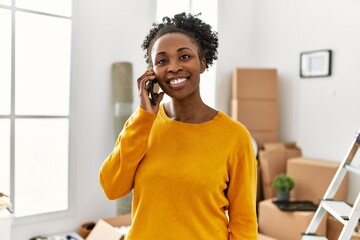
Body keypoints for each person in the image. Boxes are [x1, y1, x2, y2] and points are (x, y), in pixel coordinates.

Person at [99, 12, 258, 239]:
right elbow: (111, 187)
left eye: (184, 57)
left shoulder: (235, 136)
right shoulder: (142, 124)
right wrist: (144, 116)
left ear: (202, 63)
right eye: (162, 61)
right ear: (152, 73)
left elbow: (244, 224)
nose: (173, 67)